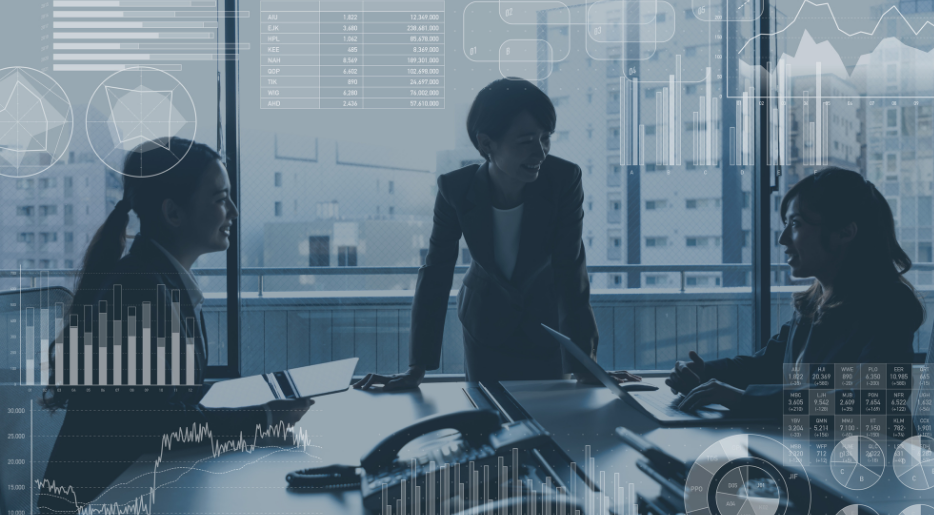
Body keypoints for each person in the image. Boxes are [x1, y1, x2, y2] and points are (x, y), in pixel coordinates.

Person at [38, 138, 312, 513]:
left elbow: (170, 398)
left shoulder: (158, 280)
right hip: (99, 502)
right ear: (173, 213)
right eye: (220, 199)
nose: (233, 210)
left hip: (124, 491)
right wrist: (263, 418)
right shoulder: (141, 290)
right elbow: (157, 420)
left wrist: (259, 399)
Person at [355, 78, 638, 388]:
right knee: (487, 420)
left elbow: (570, 270)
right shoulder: (455, 189)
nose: (540, 152)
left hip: (546, 328)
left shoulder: (563, 180)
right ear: (487, 143)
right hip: (484, 327)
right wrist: (417, 368)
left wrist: (587, 364)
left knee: (550, 425)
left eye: (546, 138)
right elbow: (436, 271)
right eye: (527, 140)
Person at [666, 167, 924, 415]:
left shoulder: (891, 304)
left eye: (796, 224)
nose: (783, 240)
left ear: (844, 232)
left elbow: (872, 398)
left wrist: (744, 399)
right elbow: (767, 366)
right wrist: (704, 373)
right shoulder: (815, 302)